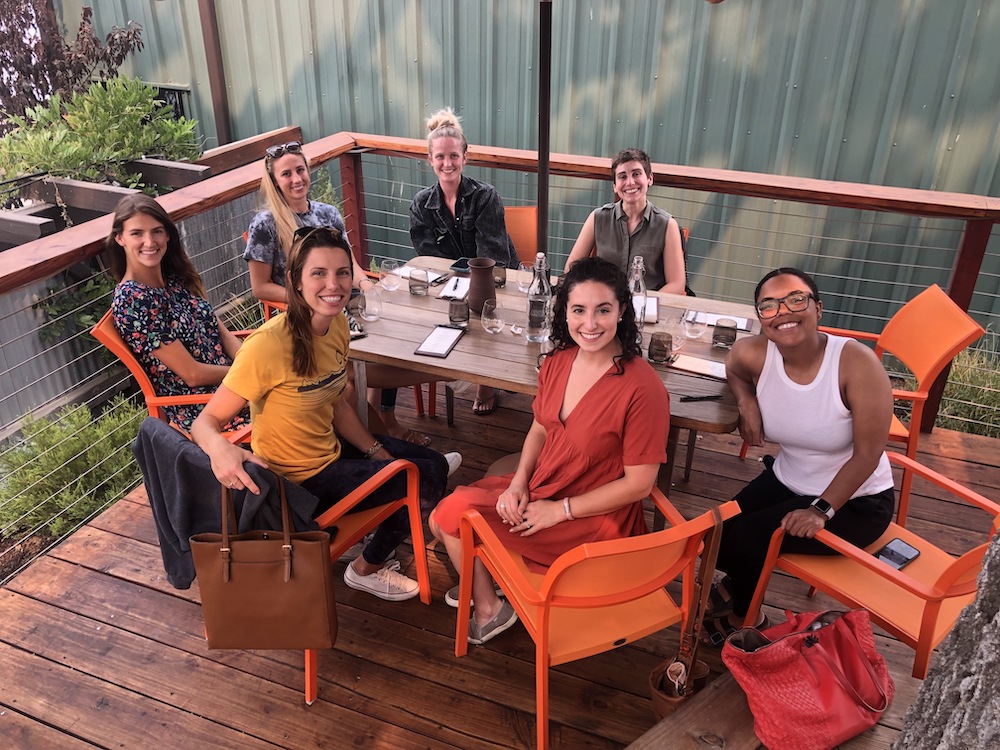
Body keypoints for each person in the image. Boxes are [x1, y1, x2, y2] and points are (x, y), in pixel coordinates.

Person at [193, 226, 462, 601]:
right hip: (299, 485)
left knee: (430, 462)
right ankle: (365, 568)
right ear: (295, 281)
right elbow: (204, 423)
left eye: (341, 272)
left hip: (330, 451)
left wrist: (377, 454)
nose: (332, 284)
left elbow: (336, 403)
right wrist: (221, 451)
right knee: (426, 479)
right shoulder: (267, 347)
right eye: (318, 273)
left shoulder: (335, 324)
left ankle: (382, 502)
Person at [429, 257, 670, 644]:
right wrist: (518, 483)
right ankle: (491, 585)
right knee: (442, 522)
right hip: (545, 485)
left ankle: (489, 609)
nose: (589, 324)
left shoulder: (644, 389)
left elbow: (640, 485)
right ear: (566, 312)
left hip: (591, 515)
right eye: (579, 310)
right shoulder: (558, 361)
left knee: (452, 515)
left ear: (622, 311)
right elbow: (540, 428)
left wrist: (560, 511)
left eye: (603, 310)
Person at [703, 267, 895, 643]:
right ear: (761, 318)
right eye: (769, 306)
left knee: (751, 539)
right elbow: (734, 370)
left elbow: (868, 454)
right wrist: (747, 404)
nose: (784, 312)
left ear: (818, 308)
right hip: (789, 476)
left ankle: (749, 618)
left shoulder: (855, 363)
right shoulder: (754, 353)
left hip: (855, 499)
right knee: (716, 533)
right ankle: (738, 585)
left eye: (796, 299)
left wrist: (821, 510)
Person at [243, 140, 434, 446]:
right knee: (361, 366)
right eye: (286, 174)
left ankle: (385, 415)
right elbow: (260, 287)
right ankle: (387, 430)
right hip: (302, 317)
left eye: (300, 170)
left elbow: (350, 265)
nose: (296, 179)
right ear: (275, 181)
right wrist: (307, 301)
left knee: (396, 330)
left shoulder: (328, 213)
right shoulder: (265, 223)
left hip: (341, 303)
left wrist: (367, 285)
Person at [107, 194, 249, 434]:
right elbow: (192, 375)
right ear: (120, 238)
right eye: (137, 233)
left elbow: (220, 332)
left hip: (235, 385)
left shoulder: (174, 280)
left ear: (168, 235)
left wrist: (253, 362)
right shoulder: (133, 300)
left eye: (157, 231)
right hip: (206, 408)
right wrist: (252, 376)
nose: (149, 241)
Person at [409, 107, 518, 416]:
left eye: (453, 156)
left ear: (465, 157)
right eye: (440, 157)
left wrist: (458, 276)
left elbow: (492, 256)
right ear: (430, 160)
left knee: (483, 307)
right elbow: (428, 258)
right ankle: (457, 369)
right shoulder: (421, 204)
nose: (447, 163)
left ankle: (485, 379)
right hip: (449, 283)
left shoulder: (485, 196)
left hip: (496, 278)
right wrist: (452, 278)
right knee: (433, 313)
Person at [565, 147, 687, 294]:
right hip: (604, 304)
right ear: (615, 186)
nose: (630, 182)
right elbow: (571, 269)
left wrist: (641, 302)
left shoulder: (667, 225)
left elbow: (677, 285)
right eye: (622, 176)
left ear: (650, 179)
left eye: (636, 174)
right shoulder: (597, 218)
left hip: (645, 307)